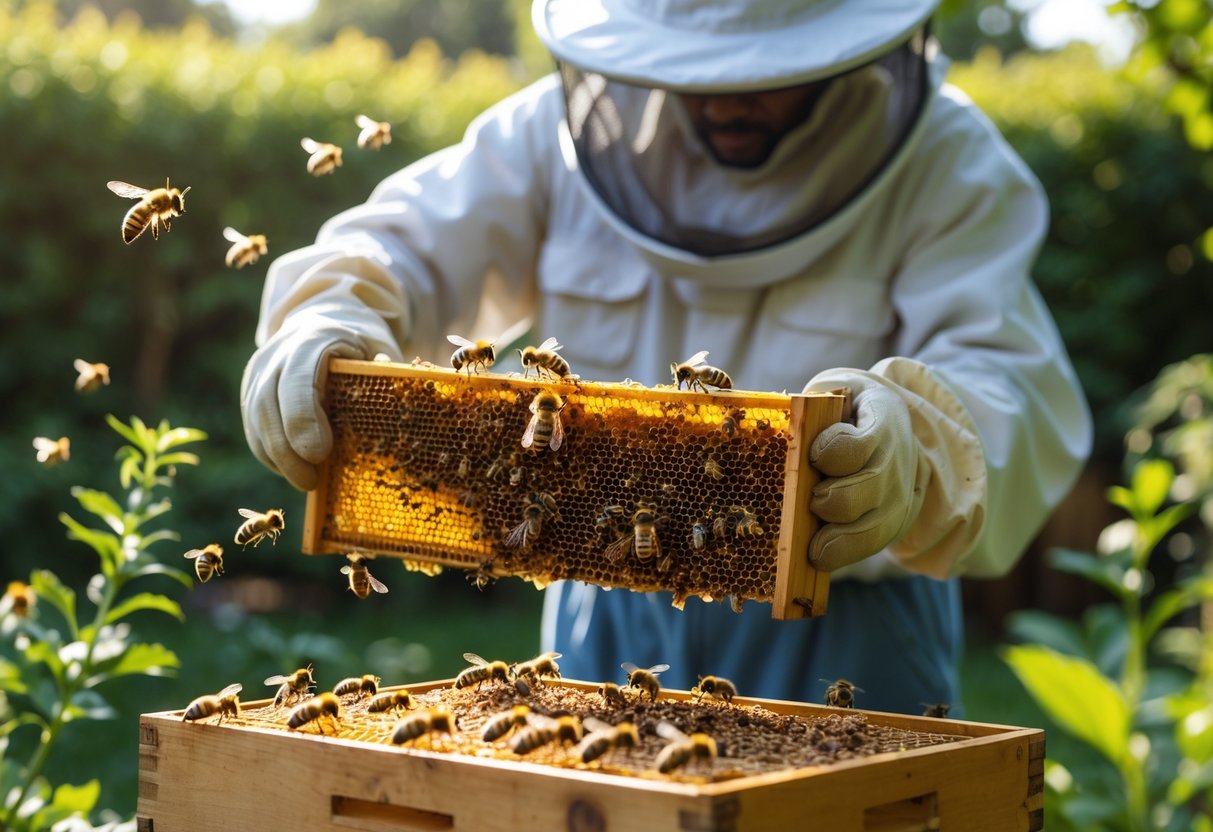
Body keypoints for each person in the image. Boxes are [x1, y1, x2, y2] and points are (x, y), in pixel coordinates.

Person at [241, 0, 1092, 713]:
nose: (725, 101)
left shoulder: (948, 160)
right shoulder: (548, 134)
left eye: (763, 74)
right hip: (602, 602)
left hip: (846, 628)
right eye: (691, 71)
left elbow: (1007, 377)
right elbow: (401, 251)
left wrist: (917, 445)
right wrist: (319, 320)